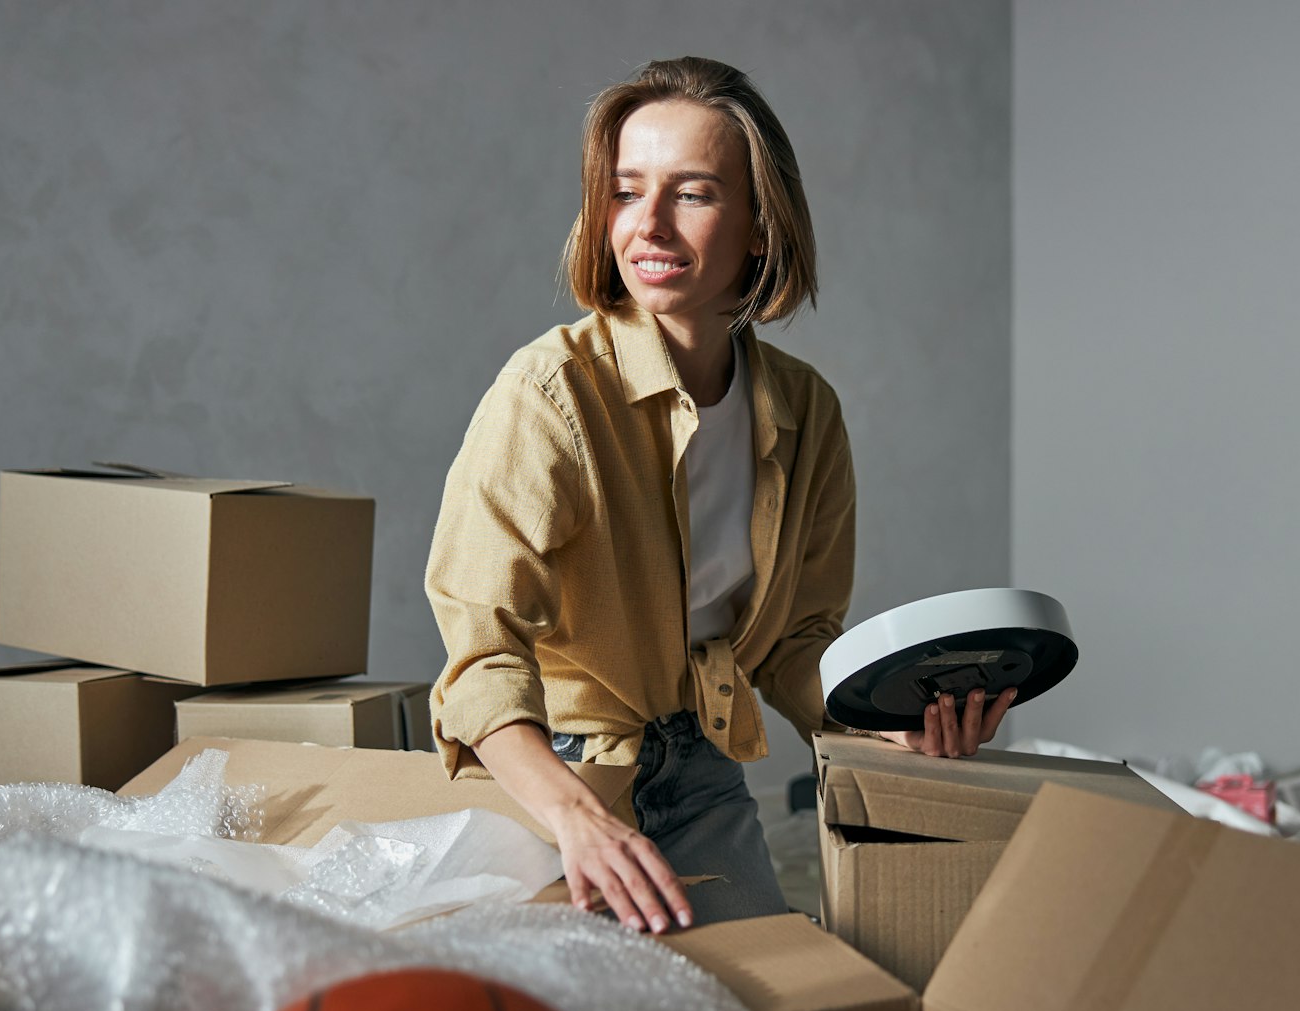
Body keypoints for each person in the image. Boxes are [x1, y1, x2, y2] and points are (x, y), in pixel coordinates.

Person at [426, 56, 1012, 936]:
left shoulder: (806, 409)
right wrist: (577, 820)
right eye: (625, 193)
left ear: (760, 228)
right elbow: (480, 658)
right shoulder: (548, 392)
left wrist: (885, 723)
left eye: (692, 194)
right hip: (558, 777)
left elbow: (793, 644)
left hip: (702, 768)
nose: (649, 225)